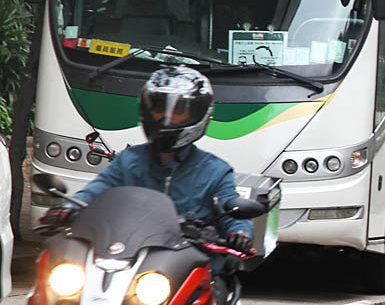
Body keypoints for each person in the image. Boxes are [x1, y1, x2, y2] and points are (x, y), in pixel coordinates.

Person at [40, 66, 254, 267]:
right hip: (128, 259)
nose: (167, 118)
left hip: (189, 265)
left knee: (214, 300)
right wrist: (70, 207)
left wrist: (240, 234)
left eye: (179, 112)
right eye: (159, 110)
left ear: (199, 114)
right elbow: (96, 190)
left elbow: (231, 211)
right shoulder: (129, 160)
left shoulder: (216, 171)